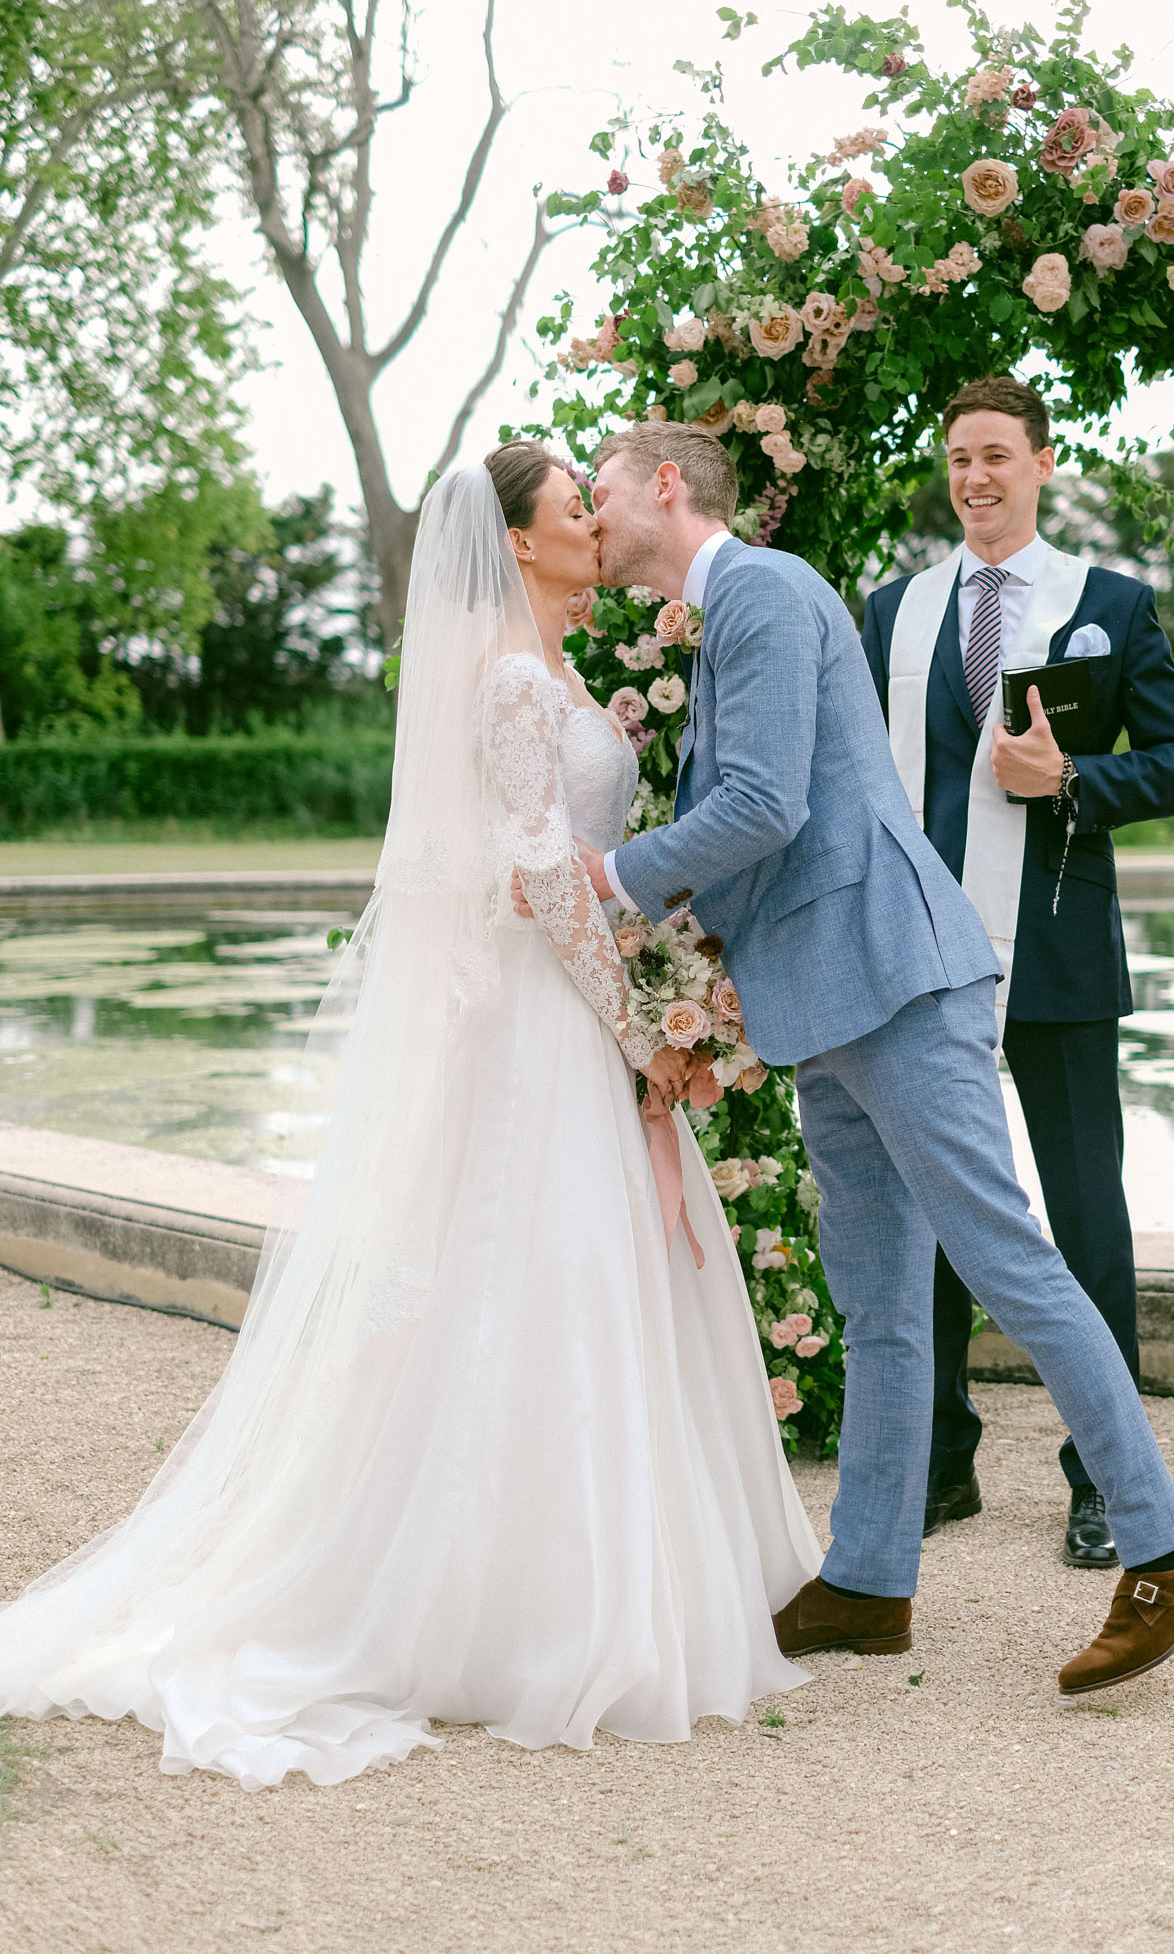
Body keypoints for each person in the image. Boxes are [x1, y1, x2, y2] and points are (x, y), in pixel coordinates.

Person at [0, 445, 822, 1789]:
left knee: (585, 1285)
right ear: (517, 544)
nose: (591, 524)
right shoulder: (507, 681)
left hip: (577, 1007)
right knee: (539, 1278)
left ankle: (602, 1579)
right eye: (571, 509)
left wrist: (652, 1010)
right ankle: (506, 1607)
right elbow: (541, 879)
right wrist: (643, 1032)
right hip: (547, 1026)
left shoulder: (550, 672)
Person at [576, 420, 1174, 1692]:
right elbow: (771, 822)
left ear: (667, 485)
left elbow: (761, 805)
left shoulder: (761, 587)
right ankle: (871, 1581)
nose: (593, 516)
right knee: (878, 1303)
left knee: (1013, 1264)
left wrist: (607, 880)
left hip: (893, 979)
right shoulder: (739, 609)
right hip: (827, 998)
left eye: (602, 491)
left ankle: (1164, 1548)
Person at [860, 376, 1174, 1568]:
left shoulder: (1108, 603)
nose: (975, 477)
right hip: (919, 958)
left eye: (997, 455)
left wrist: (1072, 781)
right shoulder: (894, 612)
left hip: (1057, 958)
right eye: (959, 455)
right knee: (930, 1209)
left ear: (1043, 464)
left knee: (1084, 1218)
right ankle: (941, 1460)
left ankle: (1101, 1481)